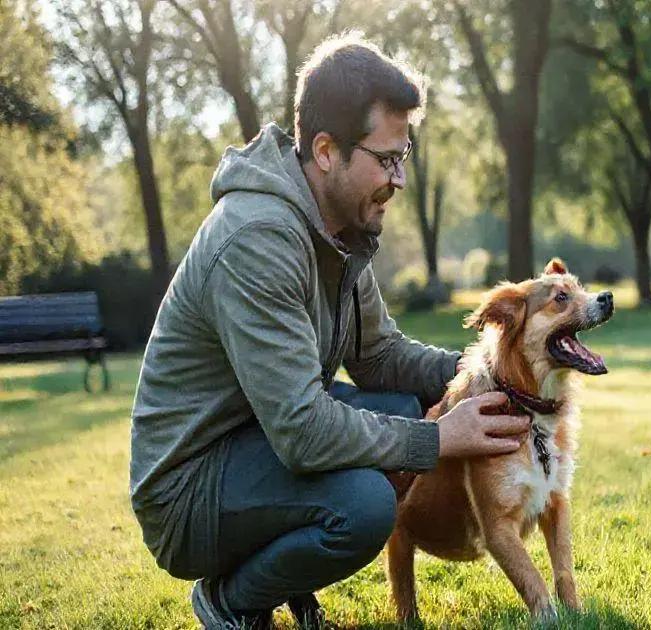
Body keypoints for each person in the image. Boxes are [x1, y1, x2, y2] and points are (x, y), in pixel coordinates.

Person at [128, 33, 530, 629]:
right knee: (366, 506)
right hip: (190, 489)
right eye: (386, 159)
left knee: (402, 400)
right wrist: (438, 440)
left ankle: (280, 568)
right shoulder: (258, 239)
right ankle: (233, 599)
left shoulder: (338, 230)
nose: (398, 179)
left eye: (404, 155)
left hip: (255, 444)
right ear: (324, 150)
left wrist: (494, 371)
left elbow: (379, 356)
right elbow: (301, 431)